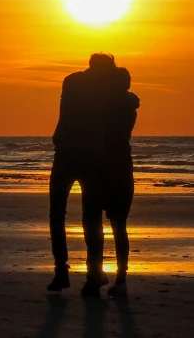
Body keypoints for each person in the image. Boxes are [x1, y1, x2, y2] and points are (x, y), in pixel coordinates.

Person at [47, 53, 119, 296]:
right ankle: (92, 275)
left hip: (65, 152)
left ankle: (62, 272)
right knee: (91, 218)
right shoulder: (105, 89)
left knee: (57, 214)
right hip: (90, 156)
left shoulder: (72, 81)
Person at [103, 67, 140, 297]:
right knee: (119, 225)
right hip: (123, 164)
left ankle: (111, 273)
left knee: (109, 223)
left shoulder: (110, 105)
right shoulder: (129, 104)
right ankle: (120, 274)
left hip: (108, 164)